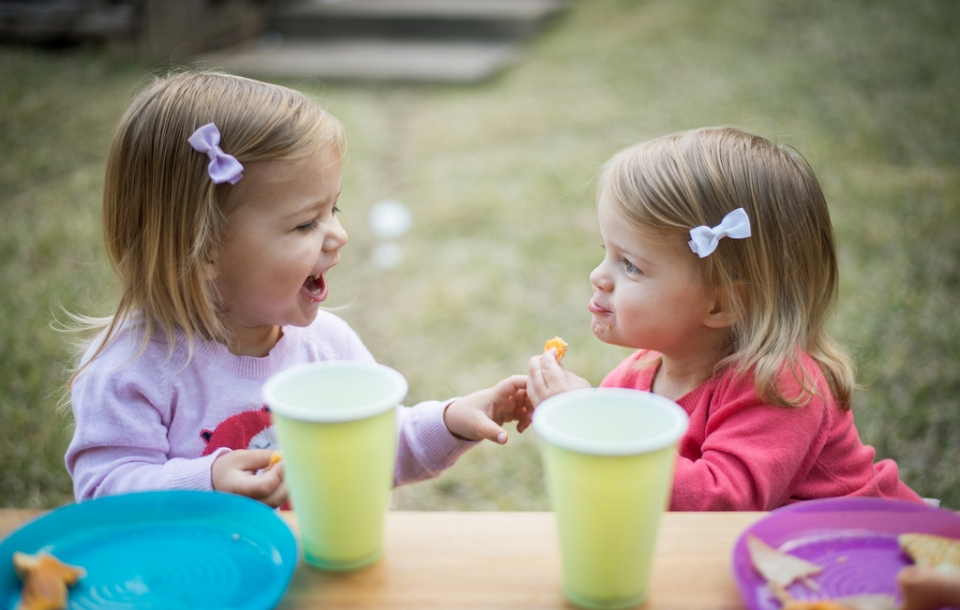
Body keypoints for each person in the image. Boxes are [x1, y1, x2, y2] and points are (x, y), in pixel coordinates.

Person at [65, 70, 529, 508]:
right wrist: (207, 480)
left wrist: (450, 422)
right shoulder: (131, 368)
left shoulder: (327, 346)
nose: (337, 235)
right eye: (307, 223)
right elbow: (104, 490)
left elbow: (376, 447)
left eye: (334, 211)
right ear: (201, 249)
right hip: (197, 582)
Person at [527, 127, 923, 511]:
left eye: (630, 265)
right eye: (607, 253)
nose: (598, 276)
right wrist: (567, 423)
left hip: (874, 548)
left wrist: (595, 423)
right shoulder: (629, 383)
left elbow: (723, 504)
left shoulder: (781, 386)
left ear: (722, 305)